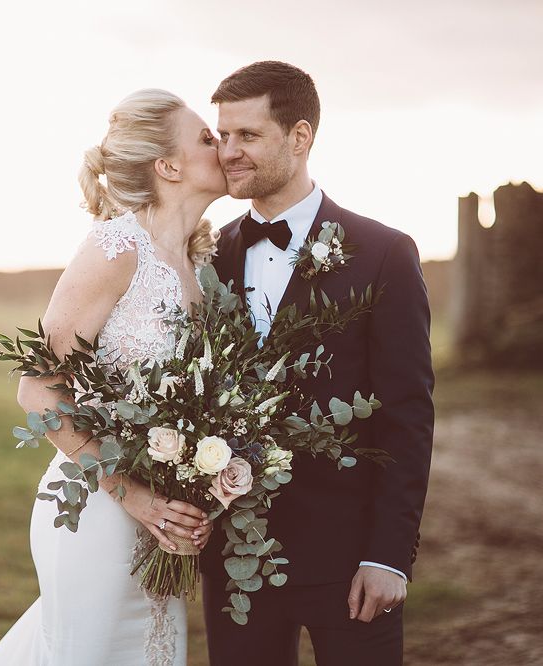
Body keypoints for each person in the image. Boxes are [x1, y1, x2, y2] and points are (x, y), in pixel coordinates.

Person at [200, 61, 435, 666]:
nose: (229, 152)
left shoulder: (383, 253)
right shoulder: (205, 254)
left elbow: (407, 415)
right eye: (223, 135)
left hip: (349, 561)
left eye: (247, 136)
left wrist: (388, 556)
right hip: (235, 564)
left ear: (299, 138)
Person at [0, 88, 225, 666]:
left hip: (158, 520)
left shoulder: (199, 262)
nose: (223, 148)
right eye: (207, 139)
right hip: (93, 513)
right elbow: (38, 391)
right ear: (168, 166)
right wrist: (136, 497)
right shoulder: (117, 247)